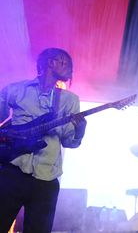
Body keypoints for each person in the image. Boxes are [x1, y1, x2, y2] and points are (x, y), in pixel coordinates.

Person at [0, 48, 87, 232]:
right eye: (66, 63)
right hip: (12, 170)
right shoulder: (16, 90)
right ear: (51, 62)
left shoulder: (69, 100)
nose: (71, 69)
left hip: (46, 180)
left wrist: (80, 130)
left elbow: (69, 142)